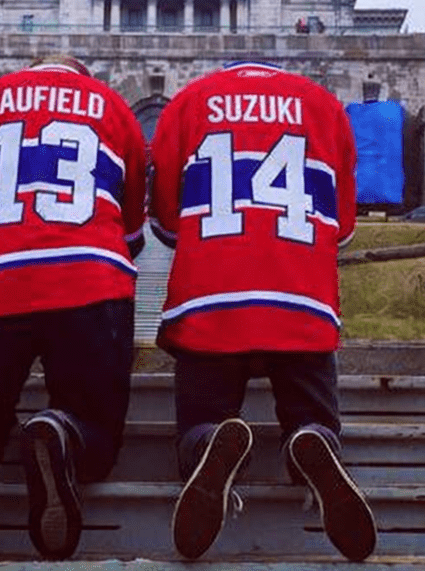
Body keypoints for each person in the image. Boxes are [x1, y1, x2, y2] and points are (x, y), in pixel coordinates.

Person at [0, 56, 147, 561]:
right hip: (89, 283)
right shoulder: (114, 108)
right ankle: (65, 433)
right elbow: (132, 234)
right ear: (82, 74)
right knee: (97, 430)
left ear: (30, 69)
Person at [149, 59, 377, 562]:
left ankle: (207, 441)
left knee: (199, 419)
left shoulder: (188, 101)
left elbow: (165, 221)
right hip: (301, 300)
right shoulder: (324, 106)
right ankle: (314, 440)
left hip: (209, 298)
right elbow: (341, 227)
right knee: (313, 412)